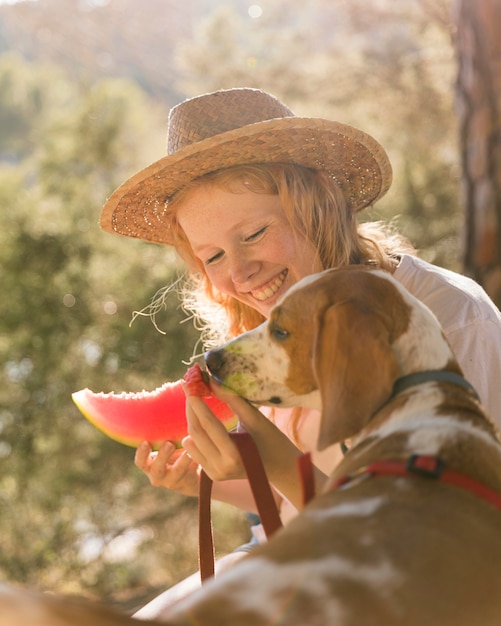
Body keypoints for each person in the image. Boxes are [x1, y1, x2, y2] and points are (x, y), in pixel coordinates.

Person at [99, 88, 501, 616]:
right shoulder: (270, 337)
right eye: (213, 255)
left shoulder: (448, 318)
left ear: (317, 207)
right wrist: (213, 480)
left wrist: (284, 465)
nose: (238, 272)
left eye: (255, 233)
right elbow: (296, 507)